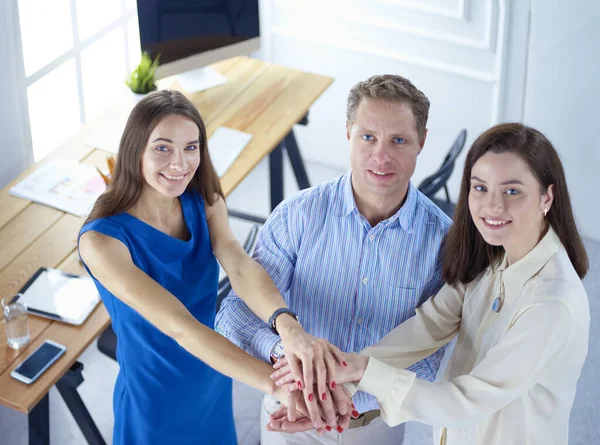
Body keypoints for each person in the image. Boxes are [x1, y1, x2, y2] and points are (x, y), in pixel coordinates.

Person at [270, 123, 590, 445]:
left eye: (512, 191)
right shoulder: (492, 259)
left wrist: (364, 371)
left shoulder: (551, 304)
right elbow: (429, 325)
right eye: (480, 188)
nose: (493, 206)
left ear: (547, 197)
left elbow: (464, 402)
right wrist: (342, 384)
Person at [77, 90, 345, 445]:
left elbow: (240, 266)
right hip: (155, 399)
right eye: (162, 147)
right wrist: (276, 384)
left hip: (214, 374)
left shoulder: (203, 200)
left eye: (191, 147)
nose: (180, 163)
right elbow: (180, 327)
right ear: (135, 149)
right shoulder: (102, 241)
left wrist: (290, 328)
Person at [216, 74, 452, 444]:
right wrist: (291, 356)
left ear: (421, 142)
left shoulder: (444, 241)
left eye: (399, 140)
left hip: (375, 427)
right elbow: (233, 315)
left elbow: (431, 356)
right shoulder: (296, 215)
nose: (381, 156)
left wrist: (349, 392)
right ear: (348, 133)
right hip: (291, 409)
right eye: (368, 137)